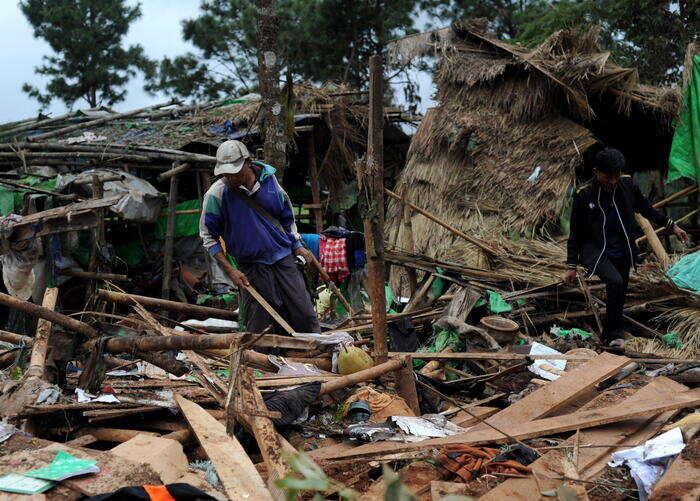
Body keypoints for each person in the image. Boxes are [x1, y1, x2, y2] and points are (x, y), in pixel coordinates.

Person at [565, 148, 688, 345]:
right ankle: (617, 334)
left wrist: (671, 225)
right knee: (614, 281)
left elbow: (646, 208)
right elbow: (575, 232)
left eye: (615, 176)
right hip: (595, 250)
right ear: (596, 172)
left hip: (622, 247)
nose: (612, 181)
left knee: (620, 290)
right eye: (607, 176)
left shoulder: (627, 185)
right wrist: (571, 265)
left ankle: (608, 334)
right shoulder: (584, 195)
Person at [199, 140, 320, 334]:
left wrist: (297, 245)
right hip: (250, 266)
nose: (230, 177)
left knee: (304, 313)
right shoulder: (216, 194)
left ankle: (315, 352)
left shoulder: (269, 181)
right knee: (261, 323)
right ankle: (264, 361)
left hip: (283, 257)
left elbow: (286, 216)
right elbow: (208, 237)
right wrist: (230, 270)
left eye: (235, 172)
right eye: (226, 174)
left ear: (248, 162)